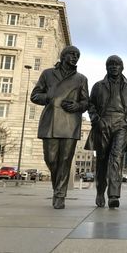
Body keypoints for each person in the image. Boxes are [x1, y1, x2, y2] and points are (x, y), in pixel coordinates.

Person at [30, 45, 89, 209]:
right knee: (50, 159)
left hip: (70, 123)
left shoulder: (81, 79)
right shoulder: (47, 74)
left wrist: (77, 106)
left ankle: (60, 195)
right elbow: (35, 95)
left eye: (77, 55)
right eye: (71, 54)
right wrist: (49, 96)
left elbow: (86, 102)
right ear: (63, 56)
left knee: (65, 160)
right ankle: (57, 188)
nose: (75, 57)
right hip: (51, 122)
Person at [85, 55, 127, 208]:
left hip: (121, 124)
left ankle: (113, 195)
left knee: (116, 158)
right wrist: (97, 120)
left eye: (117, 64)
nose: (114, 67)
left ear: (122, 67)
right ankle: (100, 191)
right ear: (106, 67)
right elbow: (91, 105)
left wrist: (126, 122)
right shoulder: (98, 86)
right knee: (102, 160)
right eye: (111, 64)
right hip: (103, 123)